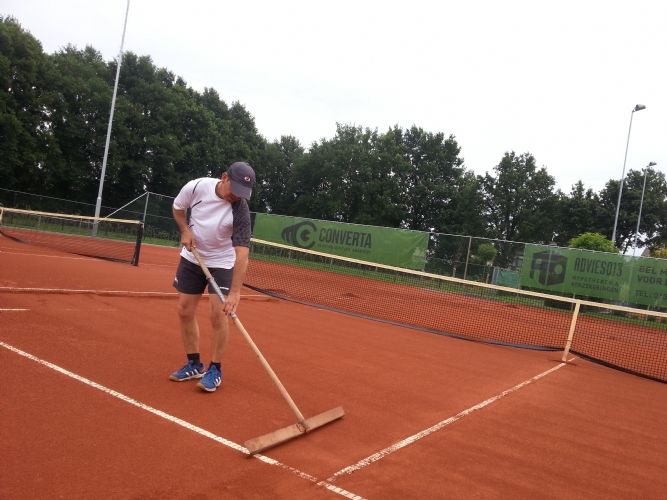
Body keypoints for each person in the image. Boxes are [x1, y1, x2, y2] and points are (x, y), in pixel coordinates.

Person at [169, 161, 256, 392]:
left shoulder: (240, 210)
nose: (236, 196)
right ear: (224, 177)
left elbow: (242, 254)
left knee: (218, 314)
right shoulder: (197, 187)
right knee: (184, 310)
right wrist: (185, 230)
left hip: (222, 263)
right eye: (234, 190)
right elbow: (178, 208)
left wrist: (235, 292)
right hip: (193, 257)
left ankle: (215, 369)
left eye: (242, 193)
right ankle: (194, 364)